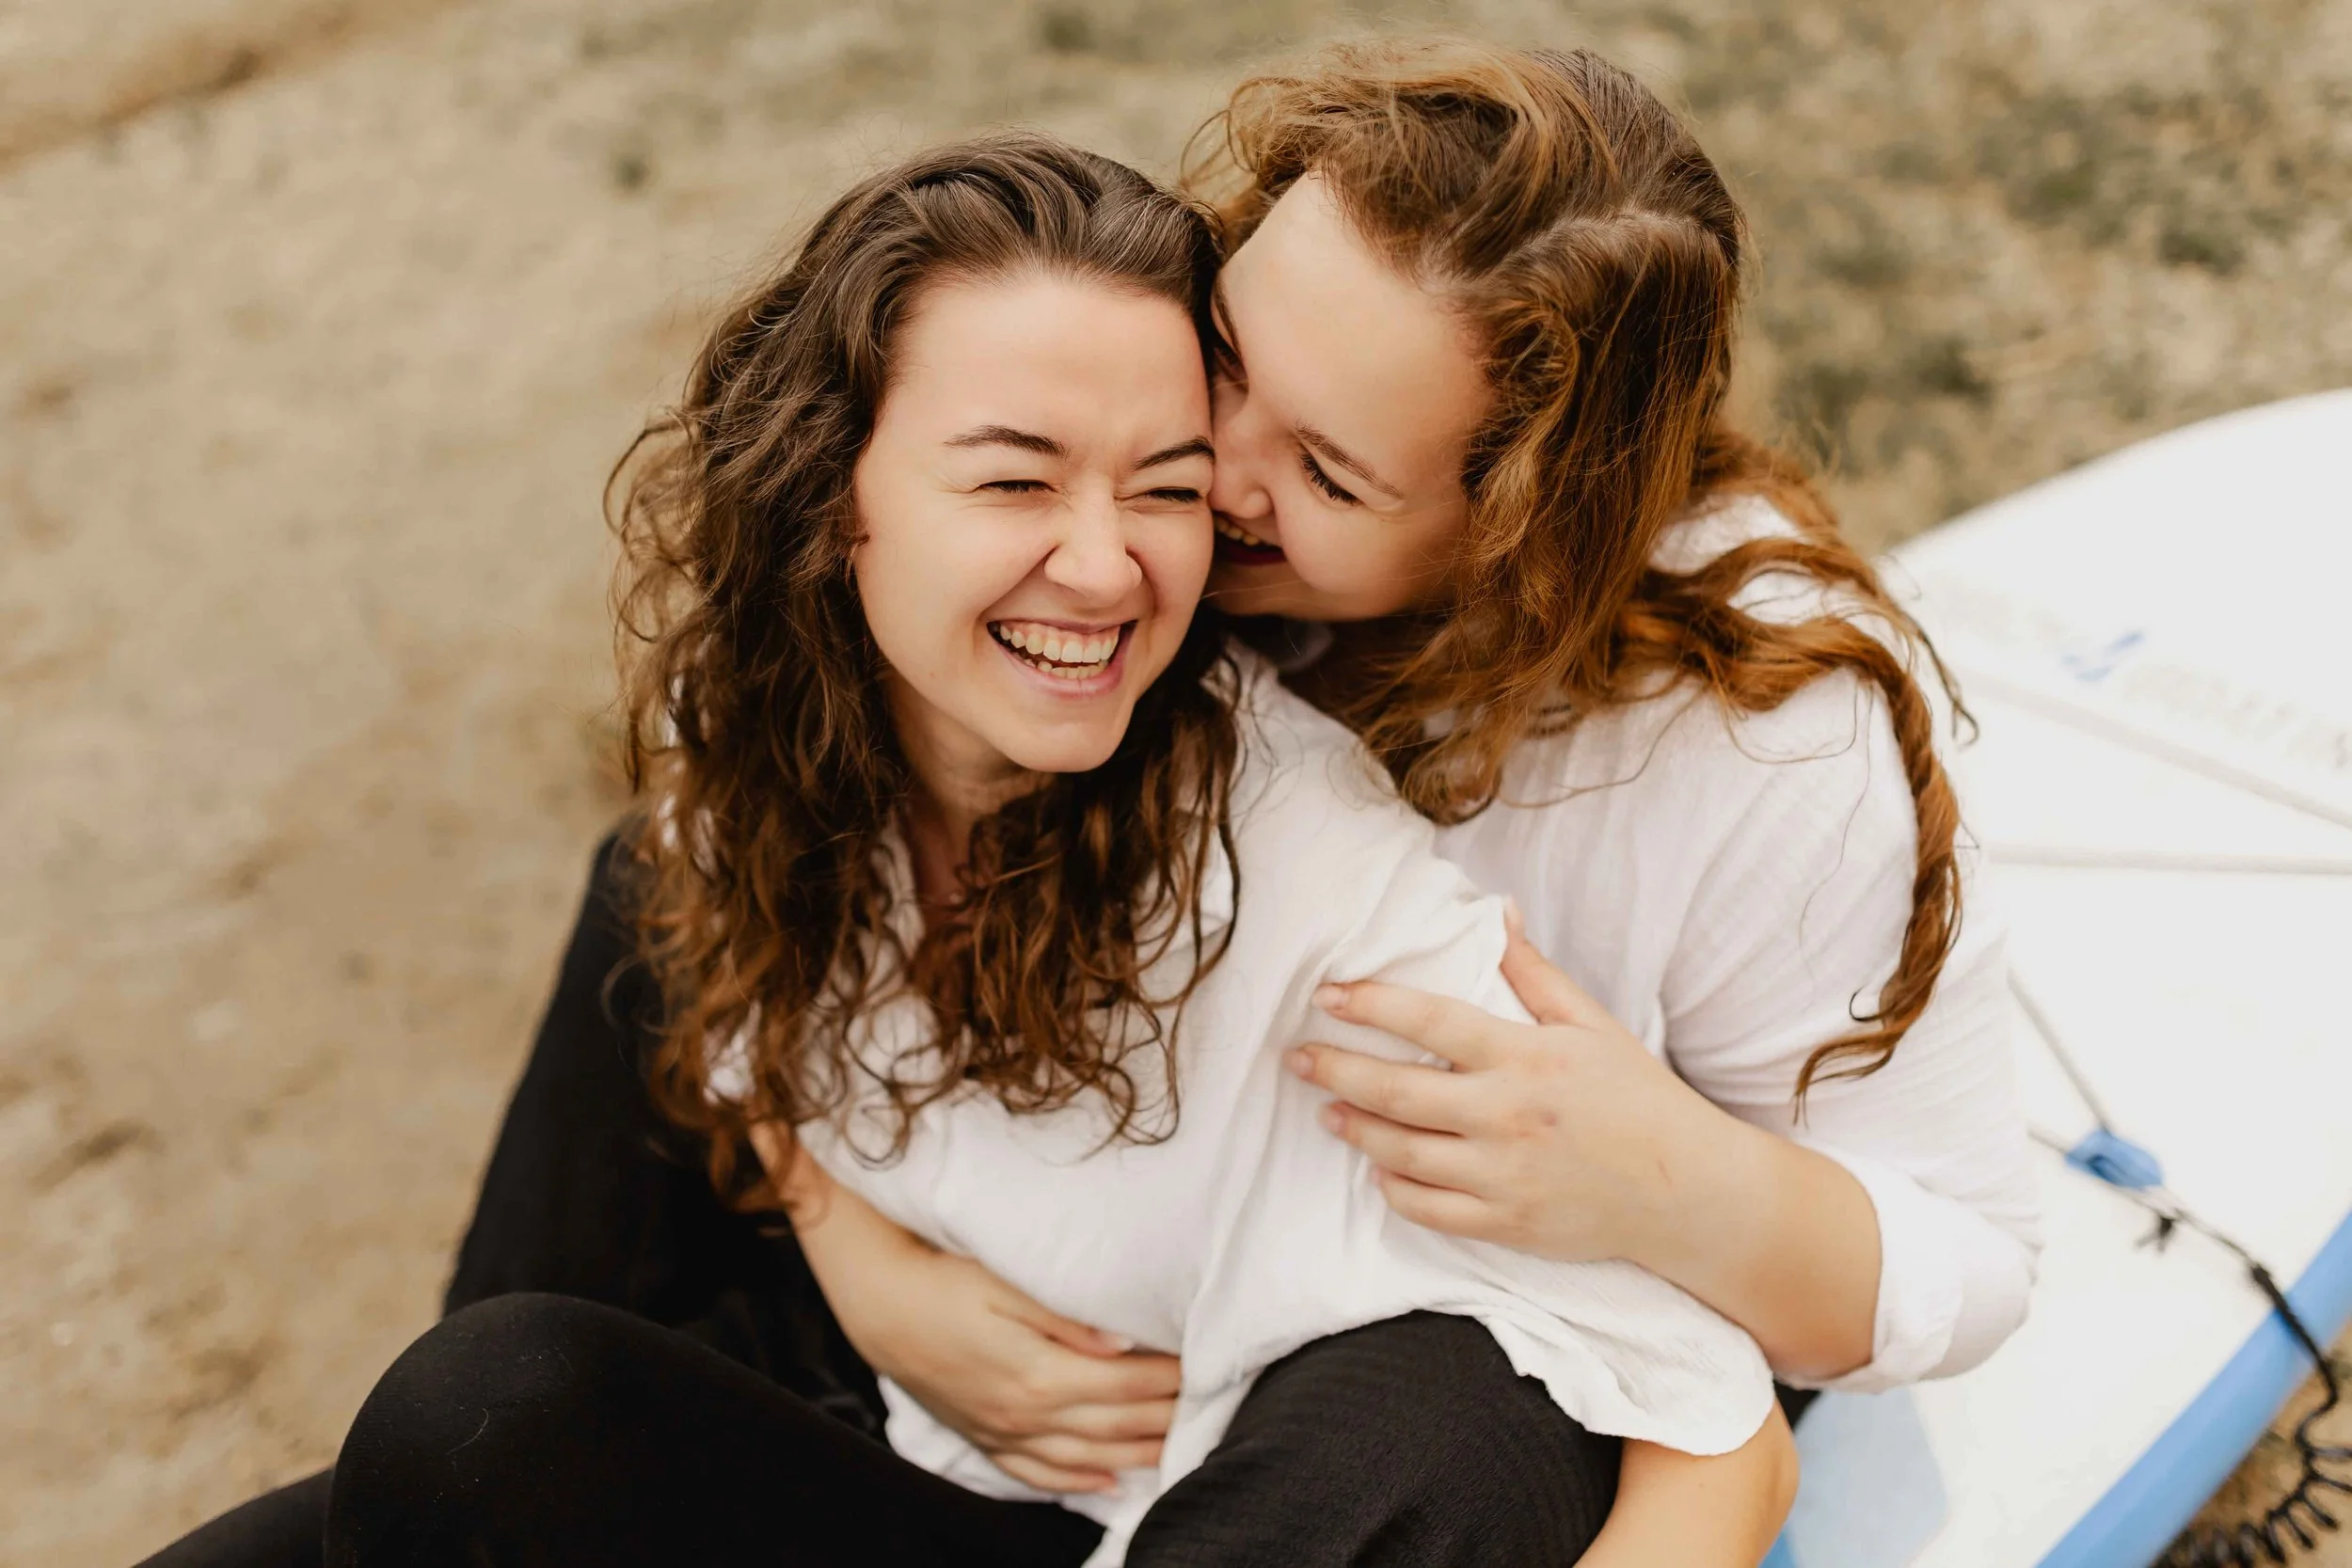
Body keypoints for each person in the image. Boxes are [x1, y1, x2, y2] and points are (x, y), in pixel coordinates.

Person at [141, 36, 2035, 1568]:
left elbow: (1942, 1269)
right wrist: (854, 1253)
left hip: (1495, 1342)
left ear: (1516, 528)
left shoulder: (1753, 735)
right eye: (1222, 363)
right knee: (620, 993)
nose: (1198, 478)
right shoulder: (1123, 537)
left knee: (1422, 1413)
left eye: (1321, 467)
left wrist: (1668, 1177)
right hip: (1063, 1211)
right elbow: (787, 822)